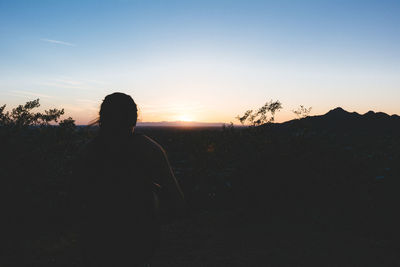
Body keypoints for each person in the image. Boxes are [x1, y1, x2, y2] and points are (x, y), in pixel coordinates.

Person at [71, 92, 185, 267]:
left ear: (102, 119)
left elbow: (76, 202)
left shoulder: (87, 152)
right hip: (139, 242)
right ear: (134, 119)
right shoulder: (150, 149)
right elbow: (177, 201)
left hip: (96, 242)